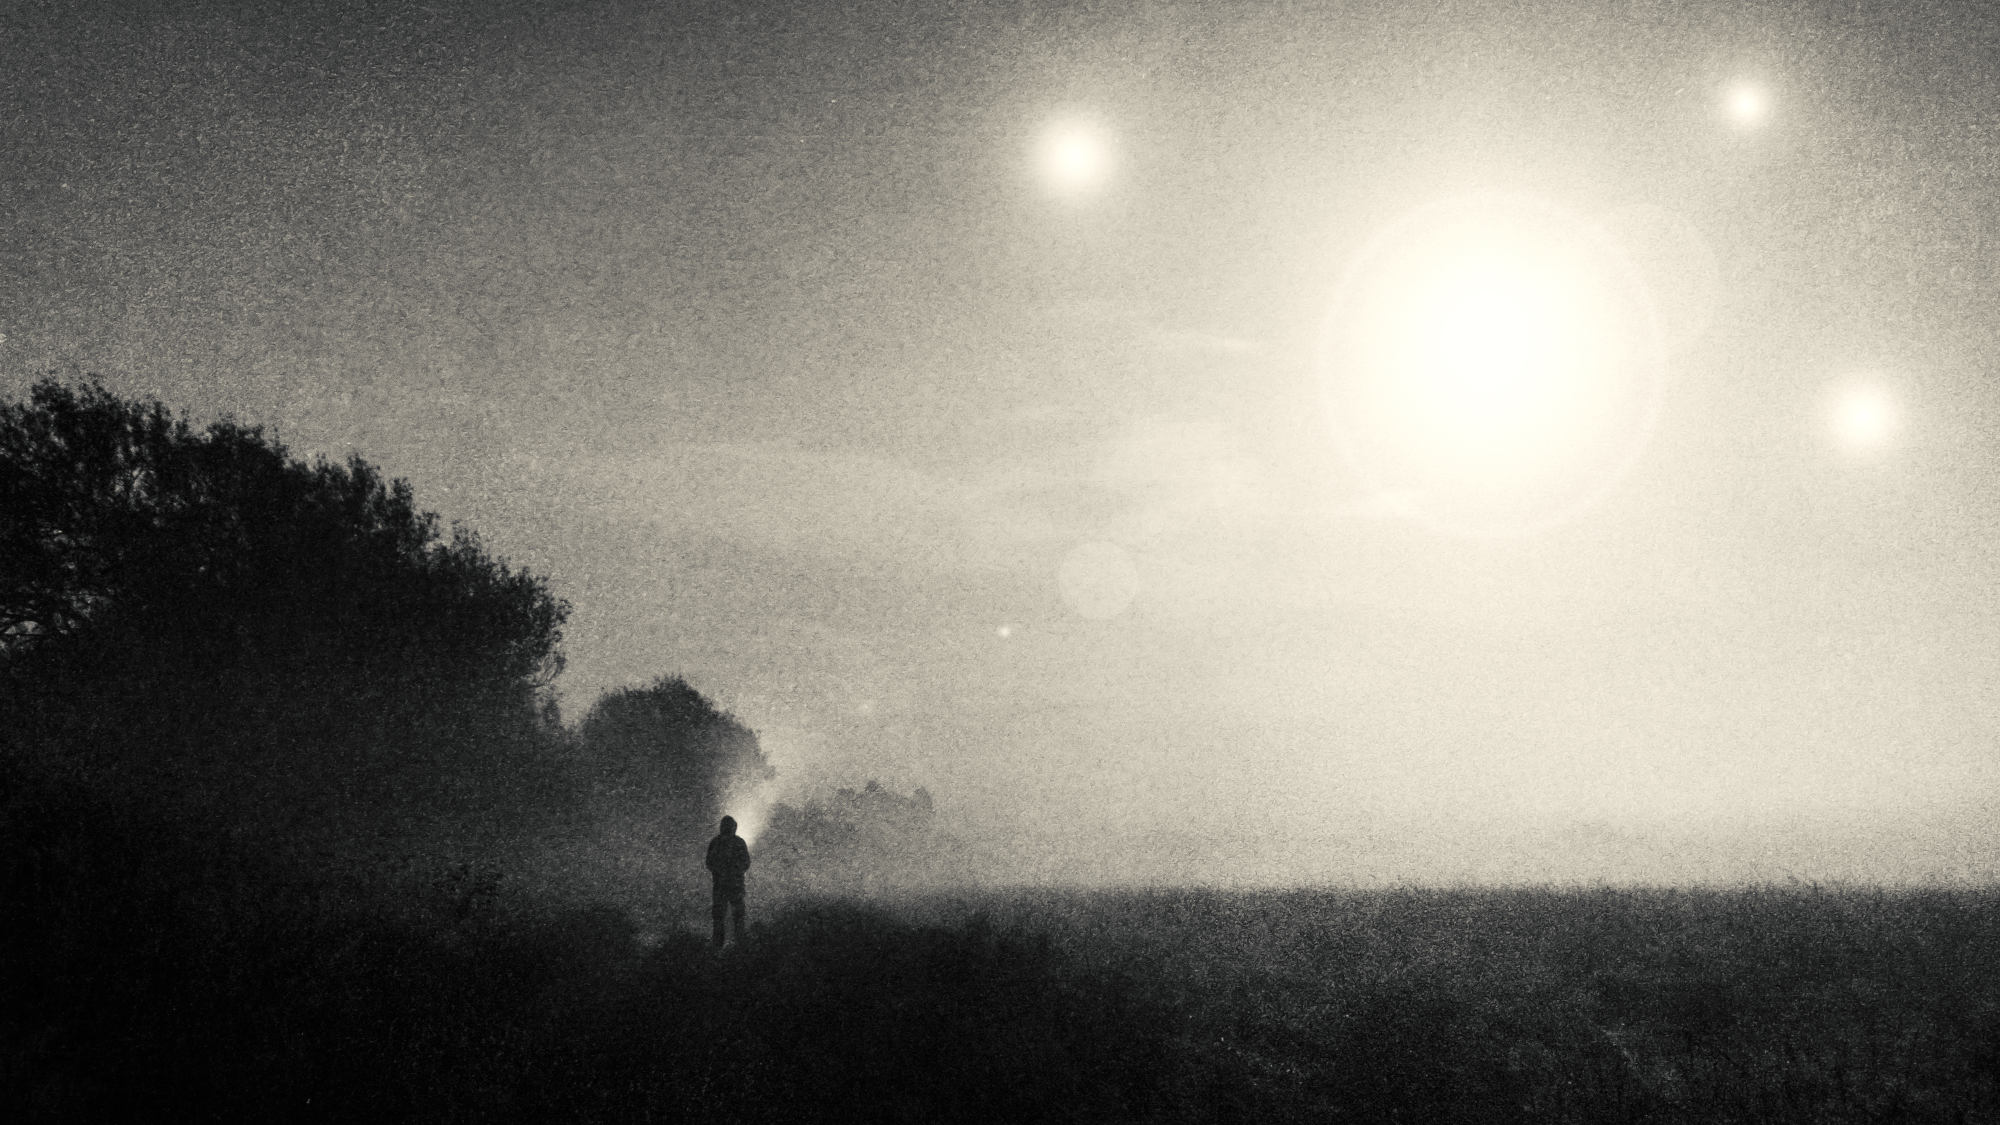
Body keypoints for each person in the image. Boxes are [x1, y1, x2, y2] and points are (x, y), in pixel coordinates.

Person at [705, 815, 751, 949]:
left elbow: (709, 863)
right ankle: (739, 946)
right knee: (735, 917)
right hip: (733, 886)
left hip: (722, 886)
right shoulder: (738, 842)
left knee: (723, 917)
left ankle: (719, 946)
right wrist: (734, 870)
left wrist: (723, 871)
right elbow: (746, 863)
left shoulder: (716, 842)